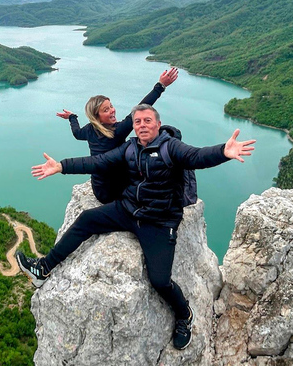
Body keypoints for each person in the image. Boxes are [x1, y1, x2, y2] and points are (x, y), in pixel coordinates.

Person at [17, 104, 255, 350]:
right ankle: (43, 268)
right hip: (128, 210)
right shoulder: (130, 147)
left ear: (158, 125)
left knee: (160, 281)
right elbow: (98, 161)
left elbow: (197, 156)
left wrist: (223, 152)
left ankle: (185, 315)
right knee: (87, 219)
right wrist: (62, 166)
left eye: (147, 121)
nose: (142, 125)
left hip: (159, 221)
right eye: (138, 121)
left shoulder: (170, 147)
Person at [56, 67, 179, 204]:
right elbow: (141, 107)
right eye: (106, 110)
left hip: (99, 190)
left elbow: (76, 133)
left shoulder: (89, 129)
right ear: (97, 117)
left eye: (111, 106)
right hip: (117, 191)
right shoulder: (117, 131)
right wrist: (160, 86)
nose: (112, 110)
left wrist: (72, 117)